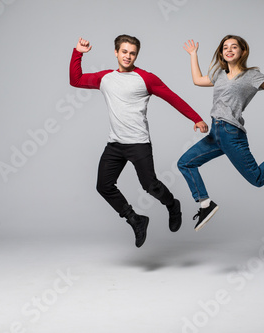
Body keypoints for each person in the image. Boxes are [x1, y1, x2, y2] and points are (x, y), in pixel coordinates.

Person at [69, 35, 208, 247]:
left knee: (150, 185)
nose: (128, 56)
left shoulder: (146, 78)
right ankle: (136, 220)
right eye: (124, 52)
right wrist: (78, 53)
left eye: (132, 53)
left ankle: (172, 205)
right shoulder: (104, 78)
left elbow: (173, 97)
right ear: (116, 52)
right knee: (103, 186)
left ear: (136, 55)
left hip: (138, 143)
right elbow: (76, 80)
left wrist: (196, 118)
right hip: (115, 144)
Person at [177, 35, 264, 231]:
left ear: (243, 52)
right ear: (221, 52)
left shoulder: (251, 76)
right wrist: (193, 55)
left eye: (234, 47)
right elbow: (198, 80)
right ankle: (205, 204)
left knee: (257, 179)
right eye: (225, 47)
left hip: (231, 133)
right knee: (185, 162)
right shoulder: (219, 74)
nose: (229, 50)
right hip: (215, 133)